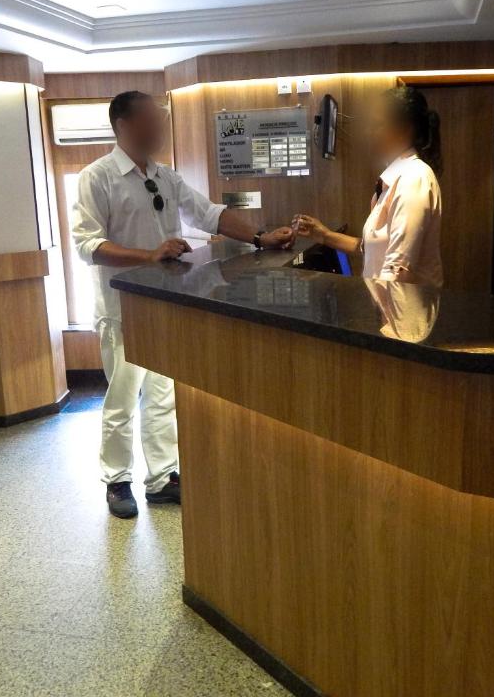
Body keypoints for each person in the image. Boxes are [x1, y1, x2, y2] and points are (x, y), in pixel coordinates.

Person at [72, 91, 294, 519]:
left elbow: (209, 214)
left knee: (162, 395)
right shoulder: (97, 177)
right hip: (122, 310)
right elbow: (87, 246)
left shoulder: (164, 175)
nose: (160, 128)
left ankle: (161, 479)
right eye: (152, 121)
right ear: (124, 125)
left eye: (160, 121)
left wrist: (260, 238)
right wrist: (149, 255)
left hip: (165, 307)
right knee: (121, 397)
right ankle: (117, 480)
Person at [294, 87, 443, 286]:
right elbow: (370, 249)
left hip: (402, 315)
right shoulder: (397, 177)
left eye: (376, 125)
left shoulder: (413, 178)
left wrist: (373, 314)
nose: (369, 132)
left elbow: (398, 269)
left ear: (403, 130)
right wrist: (323, 235)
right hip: (391, 310)